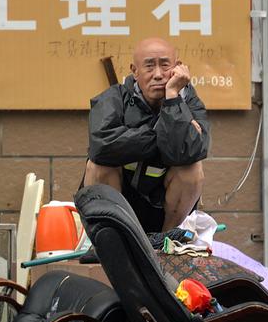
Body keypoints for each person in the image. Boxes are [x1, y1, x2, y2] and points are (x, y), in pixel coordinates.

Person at [83, 37, 210, 234]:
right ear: (135, 71)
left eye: (165, 65)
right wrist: (162, 132)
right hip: (118, 208)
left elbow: (186, 153)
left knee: (192, 170)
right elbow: (101, 148)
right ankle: (112, 238)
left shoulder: (190, 102)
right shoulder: (114, 97)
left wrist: (172, 98)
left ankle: (167, 241)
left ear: (177, 67)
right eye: (149, 66)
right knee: (97, 166)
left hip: (164, 212)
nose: (158, 74)